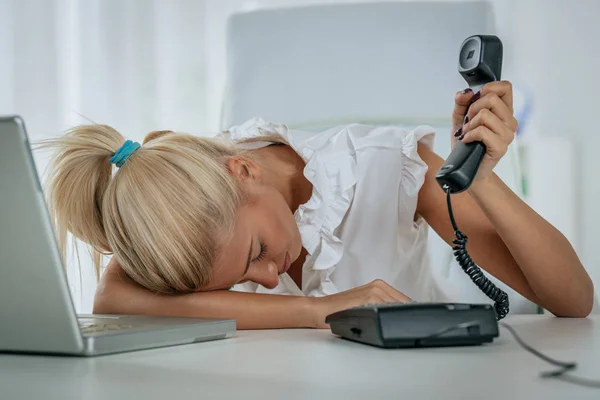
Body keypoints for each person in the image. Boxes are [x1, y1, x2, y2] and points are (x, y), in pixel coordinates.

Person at [39, 81, 594, 329]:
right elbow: (114, 298)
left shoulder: (390, 165)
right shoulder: (177, 205)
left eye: (256, 250)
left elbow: (572, 300)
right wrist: (317, 311)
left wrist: (478, 175)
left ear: (244, 170)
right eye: (237, 279)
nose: (264, 275)